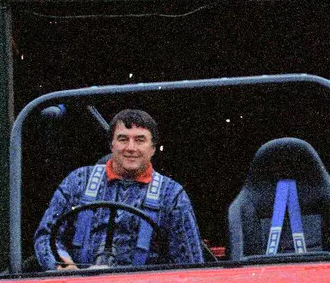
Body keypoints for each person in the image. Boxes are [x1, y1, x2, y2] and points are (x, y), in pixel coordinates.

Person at [33, 108, 204, 269]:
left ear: (153, 148)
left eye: (140, 140)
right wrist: (65, 267)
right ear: (111, 145)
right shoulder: (78, 181)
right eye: (123, 139)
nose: (131, 148)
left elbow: (189, 264)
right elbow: (46, 237)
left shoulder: (172, 195)